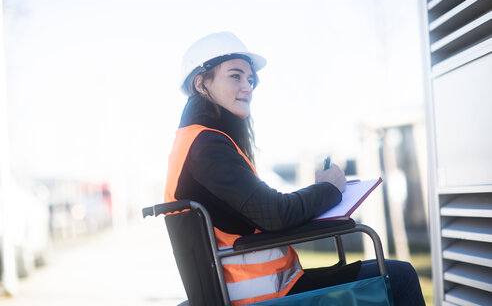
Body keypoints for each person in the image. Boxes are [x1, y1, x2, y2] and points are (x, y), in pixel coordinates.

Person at [164, 32, 425, 306]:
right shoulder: (207, 146)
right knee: (401, 276)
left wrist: (319, 195)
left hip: (273, 287)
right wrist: (329, 188)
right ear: (201, 83)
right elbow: (275, 214)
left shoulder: (199, 142)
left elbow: (266, 211)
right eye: (235, 76)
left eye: (250, 79)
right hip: (266, 295)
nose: (248, 86)